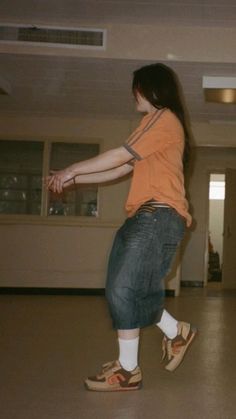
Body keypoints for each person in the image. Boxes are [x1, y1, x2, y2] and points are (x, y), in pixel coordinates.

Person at [46, 63, 197, 392]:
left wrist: (72, 169)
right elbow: (122, 167)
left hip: (156, 216)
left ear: (149, 89)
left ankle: (130, 369)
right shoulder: (154, 126)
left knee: (125, 289)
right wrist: (74, 179)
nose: (134, 95)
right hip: (146, 217)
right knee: (125, 289)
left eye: (136, 89)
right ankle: (174, 333)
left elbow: (118, 156)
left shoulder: (162, 118)